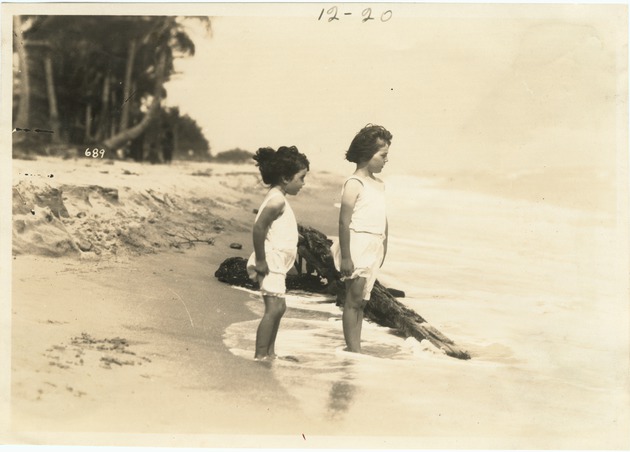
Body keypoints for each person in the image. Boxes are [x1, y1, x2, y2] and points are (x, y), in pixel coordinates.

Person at [332, 124, 392, 353]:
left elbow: (383, 219)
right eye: (383, 155)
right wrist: (346, 256)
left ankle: (355, 346)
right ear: (368, 155)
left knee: (363, 301)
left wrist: (384, 246)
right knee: (353, 298)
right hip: (357, 244)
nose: (386, 160)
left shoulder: (379, 185)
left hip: (374, 245)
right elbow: (343, 222)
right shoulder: (354, 183)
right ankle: (353, 347)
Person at [247, 146, 309, 360]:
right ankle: (261, 355)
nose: (303, 184)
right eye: (301, 178)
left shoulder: (278, 197)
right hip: (270, 260)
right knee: (273, 309)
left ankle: (270, 352)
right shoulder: (276, 200)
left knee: (279, 307)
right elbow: (258, 228)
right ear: (285, 177)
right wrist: (261, 261)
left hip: (276, 261)